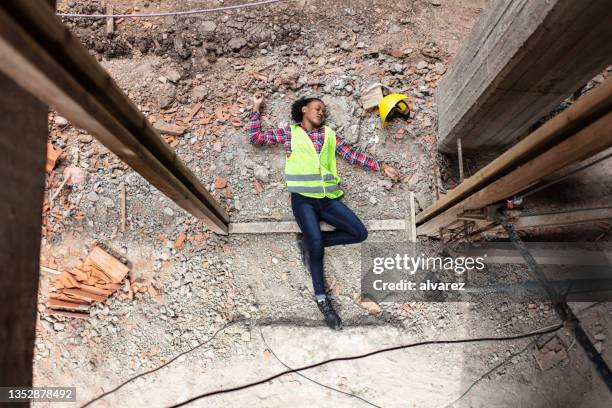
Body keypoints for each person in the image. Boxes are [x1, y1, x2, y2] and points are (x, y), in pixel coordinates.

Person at [248, 92, 401, 330]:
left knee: (359, 233)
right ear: (304, 110)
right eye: (316, 108)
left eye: (324, 110)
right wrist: (256, 109)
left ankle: (310, 243)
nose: (321, 112)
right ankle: (322, 301)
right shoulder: (290, 133)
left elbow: (351, 155)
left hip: (328, 199)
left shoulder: (329, 135)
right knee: (317, 249)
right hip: (303, 201)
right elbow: (256, 138)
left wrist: (381, 166)